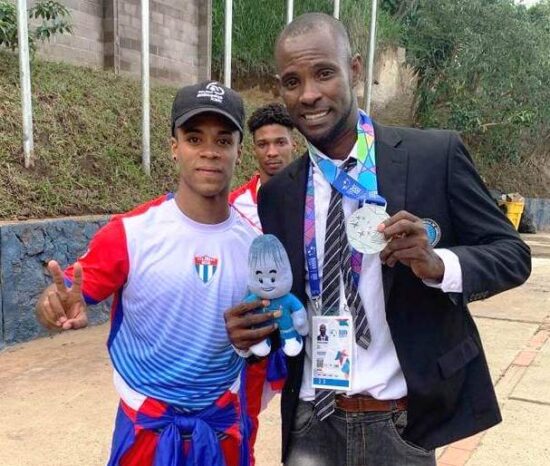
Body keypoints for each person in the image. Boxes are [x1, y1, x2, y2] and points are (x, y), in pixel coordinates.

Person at [225, 13, 531, 466]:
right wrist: (249, 339)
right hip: (313, 420)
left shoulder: (433, 156)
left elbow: (512, 254)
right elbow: (286, 304)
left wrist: (438, 264)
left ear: (353, 69)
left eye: (324, 73)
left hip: (402, 425)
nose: (308, 94)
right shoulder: (277, 193)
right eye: (292, 81)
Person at [35, 81, 267, 466]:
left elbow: (266, 346)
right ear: (175, 147)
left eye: (223, 140)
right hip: (146, 431)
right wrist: (53, 305)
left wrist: (254, 340)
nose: (209, 151)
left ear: (239, 150)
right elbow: (69, 295)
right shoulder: (130, 233)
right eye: (194, 138)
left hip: (221, 430)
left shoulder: (256, 246)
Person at [229, 103, 296, 229]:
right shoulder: (235, 206)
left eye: (280, 143)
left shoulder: (315, 197)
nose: (272, 152)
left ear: (293, 145)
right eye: (262, 144)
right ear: (254, 149)